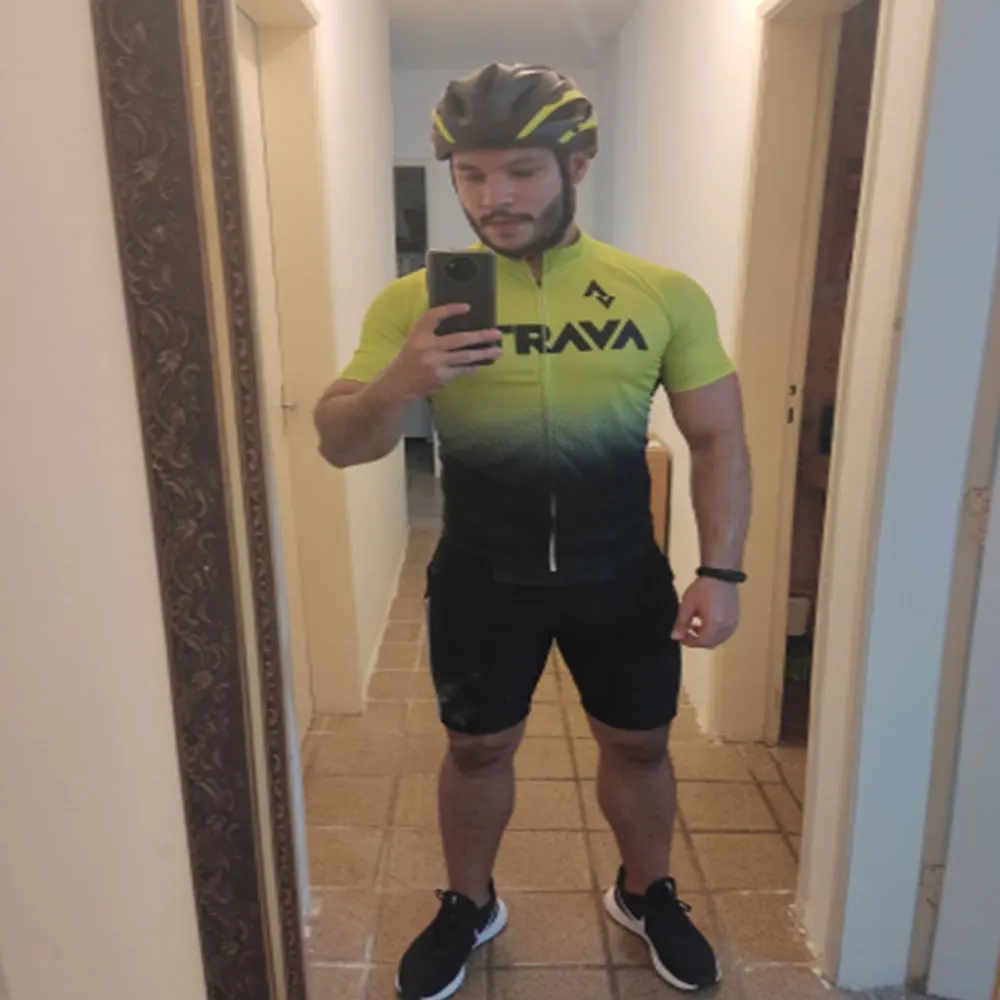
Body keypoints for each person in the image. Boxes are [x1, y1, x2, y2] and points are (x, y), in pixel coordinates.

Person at [314, 63, 751, 1000]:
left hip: (619, 573)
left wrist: (721, 571)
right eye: (471, 175)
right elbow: (340, 442)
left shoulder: (661, 293)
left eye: (519, 171)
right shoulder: (411, 303)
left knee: (640, 746)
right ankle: (469, 903)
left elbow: (718, 437)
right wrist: (401, 381)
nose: (493, 197)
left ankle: (646, 892)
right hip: (482, 576)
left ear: (576, 167)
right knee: (476, 749)